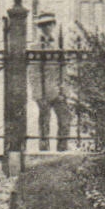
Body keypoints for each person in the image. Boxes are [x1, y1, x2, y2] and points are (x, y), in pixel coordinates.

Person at [29, 12, 72, 151]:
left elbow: (64, 70)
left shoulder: (59, 45)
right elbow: (33, 73)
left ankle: (62, 149)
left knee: (65, 119)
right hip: (43, 91)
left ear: (53, 25)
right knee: (44, 122)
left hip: (58, 91)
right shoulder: (35, 47)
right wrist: (38, 95)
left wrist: (65, 91)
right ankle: (44, 150)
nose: (46, 28)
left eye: (49, 24)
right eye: (43, 25)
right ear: (39, 27)